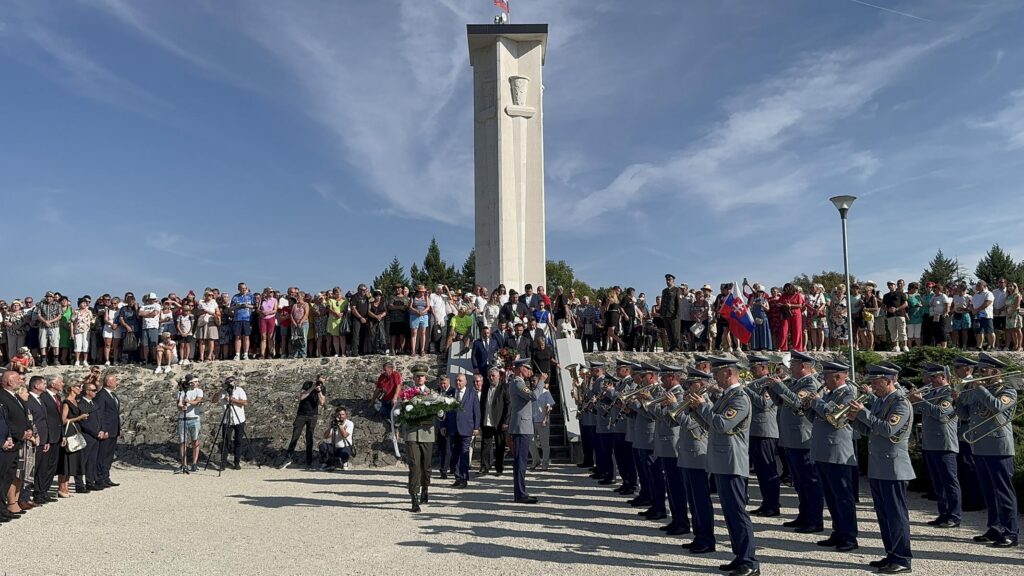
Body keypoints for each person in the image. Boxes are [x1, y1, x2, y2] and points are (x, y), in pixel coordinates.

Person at [689, 356, 759, 576]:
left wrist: (703, 406)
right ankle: (740, 556)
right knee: (729, 513)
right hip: (722, 461)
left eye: (717, 373)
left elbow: (721, 424)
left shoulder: (740, 398)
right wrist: (696, 409)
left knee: (737, 512)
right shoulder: (726, 396)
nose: (714, 378)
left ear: (728, 373)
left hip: (732, 461)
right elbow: (711, 423)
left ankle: (750, 561)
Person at [847, 364, 914, 574]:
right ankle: (891, 554)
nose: (873, 386)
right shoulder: (882, 401)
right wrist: (854, 420)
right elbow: (872, 430)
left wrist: (863, 413)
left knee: (896, 515)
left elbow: (888, 429)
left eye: (876, 382)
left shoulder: (900, 403)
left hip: (894, 467)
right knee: (884, 515)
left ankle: (902, 558)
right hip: (879, 465)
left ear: (889, 381)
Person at [957, 352, 1018, 548]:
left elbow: (997, 407)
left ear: (995, 371)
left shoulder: (1007, 391)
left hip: (999, 448)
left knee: (1003, 491)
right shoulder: (979, 390)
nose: (980, 374)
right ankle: (994, 527)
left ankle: (1010, 532)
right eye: (979, 370)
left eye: (984, 370)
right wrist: (958, 399)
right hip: (979, 446)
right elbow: (964, 415)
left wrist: (981, 389)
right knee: (988, 492)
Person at [806, 361, 859, 552]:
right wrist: (809, 406)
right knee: (831, 495)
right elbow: (817, 418)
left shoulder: (848, 394)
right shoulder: (829, 394)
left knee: (843, 497)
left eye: (826, 376)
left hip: (838, 451)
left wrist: (817, 402)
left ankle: (849, 536)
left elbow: (837, 416)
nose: (823, 380)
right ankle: (838, 531)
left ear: (837, 377)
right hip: (823, 450)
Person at [769, 350, 823, 534]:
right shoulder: (794, 383)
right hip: (791, 438)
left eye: (793, 365)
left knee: (809, 481)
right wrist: (771, 388)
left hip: (803, 439)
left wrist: (779, 386)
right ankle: (804, 515)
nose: (789, 368)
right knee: (799, 481)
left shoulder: (810, 383)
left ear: (803, 366)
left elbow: (798, 403)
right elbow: (781, 402)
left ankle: (814, 520)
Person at [909, 363, 961, 528]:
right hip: (930, 442)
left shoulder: (949, 393)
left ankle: (954, 516)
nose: (929, 380)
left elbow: (940, 412)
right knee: (938, 482)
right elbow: (918, 410)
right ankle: (943, 513)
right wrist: (912, 401)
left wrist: (921, 400)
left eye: (933, 377)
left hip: (944, 443)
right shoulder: (931, 392)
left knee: (949, 481)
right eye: (929, 376)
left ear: (942, 377)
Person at [650, 363, 689, 536]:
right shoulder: (668, 394)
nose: (661, 380)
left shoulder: (679, 395)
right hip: (665, 444)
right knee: (671, 486)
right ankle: (676, 519)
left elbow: (673, 420)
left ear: (672, 377)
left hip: (673, 445)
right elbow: (660, 416)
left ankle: (682, 522)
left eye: (664, 377)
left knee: (676, 485)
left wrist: (667, 404)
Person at [744, 355, 780, 518]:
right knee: (760, 471)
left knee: (768, 469)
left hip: (765, 431)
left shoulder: (769, 383)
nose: (752, 371)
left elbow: (765, 404)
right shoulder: (756, 383)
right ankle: (766, 503)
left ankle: (773, 505)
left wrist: (747, 391)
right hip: (755, 431)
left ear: (764, 368)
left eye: (754, 368)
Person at [399, 365, 434, 512]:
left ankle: (425, 488)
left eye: (422, 376)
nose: (420, 378)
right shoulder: (407, 394)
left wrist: (440, 413)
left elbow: (440, 410)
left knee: (426, 466)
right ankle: (414, 497)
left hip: (427, 433)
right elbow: (401, 413)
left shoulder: (432, 394)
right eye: (417, 376)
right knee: (414, 466)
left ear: (426, 378)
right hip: (412, 433)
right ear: (413, 378)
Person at [508, 358, 543, 503]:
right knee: (520, 463)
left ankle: (521, 492)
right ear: (521, 368)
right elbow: (533, 396)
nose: (530, 371)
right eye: (527, 368)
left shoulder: (520, 383)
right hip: (521, 427)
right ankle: (520, 494)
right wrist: (541, 382)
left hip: (523, 426)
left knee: (521, 462)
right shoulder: (518, 383)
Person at [280, 375, 326, 470]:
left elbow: (322, 402)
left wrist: (319, 391)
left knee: (309, 438)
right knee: (295, 436)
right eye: (319, 381)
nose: (320, 383)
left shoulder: (322, 388)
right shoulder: (307, 384)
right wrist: (312, 387)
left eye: (322, 382)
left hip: (313, 416)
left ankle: (309, 462)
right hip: (301, 415)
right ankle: (288, 458)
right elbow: (301, 397)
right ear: (316, 379)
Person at [443, 374, 480, 488]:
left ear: (465, 382)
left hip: (466, 428)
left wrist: (476, 427)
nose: (458, 382)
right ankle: (458, 477)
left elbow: (476, 412)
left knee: (464, 454)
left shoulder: (472, 394)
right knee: (455, 454)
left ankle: (464, 478)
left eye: (460, 380)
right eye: (456, 380)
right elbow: (444, 411)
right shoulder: (450, 394)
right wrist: (443, 425)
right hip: (453, 429)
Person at [25, 376, 54, 504]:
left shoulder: (40, 399)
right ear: (36, 386)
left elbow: (44, 421)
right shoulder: (29, 400)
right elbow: (31, 420)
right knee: (33, 468)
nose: (46, 385)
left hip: (43, 439)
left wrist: (47, 440)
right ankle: (25, 496)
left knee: (42, 468)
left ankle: (39, 493)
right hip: (34, 439)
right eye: (43, 383)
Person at [57, 381, 88, 497]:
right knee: (66, 461)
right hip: (68, 432)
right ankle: (61, 488)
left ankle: (66, 487)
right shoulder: (66, 402)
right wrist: (79, 418)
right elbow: (63, 420)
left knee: (72, 462)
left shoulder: (76, 401)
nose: (80, 388)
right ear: (71, 388)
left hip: (76, 431)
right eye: (78, 386)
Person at [93, 373, 121, 488]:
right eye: (114, 381)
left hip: (114, 429)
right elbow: (100, 414)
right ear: (108, 382)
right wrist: (103, 429)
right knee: (102, 455)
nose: (116, 383)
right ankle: (99, 478)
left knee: (109, 456)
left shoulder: (112, 395)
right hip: (106, 430)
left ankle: (106, 476)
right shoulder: (101, 395)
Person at [215, 376, 248, 470]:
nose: (230, 383)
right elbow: (213, 400)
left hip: (239, 420)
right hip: (227, 420)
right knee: (225, 441)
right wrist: (220, 391)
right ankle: (223, 464)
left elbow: (245, 403)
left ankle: (237, 462)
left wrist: (233, 400)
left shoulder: (239, 390)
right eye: (228, 381)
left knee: (238, 441)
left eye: (232, 381)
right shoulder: (222, 392)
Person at [479, 367, 508, 476]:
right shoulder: (485, 387)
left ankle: (499, 468)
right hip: (487, 420)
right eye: (489, 376)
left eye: (493, 376)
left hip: (499, 421)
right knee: (485, 445)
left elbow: (508, 405)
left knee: (500, 446)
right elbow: (482, 403)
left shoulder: (504, 387)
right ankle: (484, 466)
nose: (491, 378)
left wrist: (506, 421)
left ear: (499, 376)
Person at [78, 380, 103, 491]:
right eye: (93, 390)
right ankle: (79, 484)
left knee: (92, 461)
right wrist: (95, 433)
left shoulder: (95, 404)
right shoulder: (81, 404)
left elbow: (100, 418)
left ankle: (90, 481)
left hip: (96, 437)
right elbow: (84, 423)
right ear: (87, 391)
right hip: (87, 436)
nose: (95, 392)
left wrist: (102, 430)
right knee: (82, 461)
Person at [176, 374, 204, 473]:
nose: (196, 383)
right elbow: (178, 405)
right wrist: (181, 407)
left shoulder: (199, 391)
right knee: (183, 442)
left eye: (197, 381)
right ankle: (184, 464)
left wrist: (188, 401)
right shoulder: (181, 392)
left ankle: (194, 463)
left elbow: (197, 401)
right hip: (182, 419)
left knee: (195, 441)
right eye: (193, 382)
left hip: (194, 418)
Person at [528, 378, 555, 471]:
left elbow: (549, 407)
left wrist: (545, 418)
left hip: (542, 420)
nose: (532, 382)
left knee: (544, 444)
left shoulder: (545, 392)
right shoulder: (531, 392)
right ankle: (536, 460)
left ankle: (545, 463)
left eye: (534, 380)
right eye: (531, 381)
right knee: (530, 442)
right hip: (532, 421)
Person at [319, 406, 354, 471]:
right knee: (323, 446)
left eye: (342, 414)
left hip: (344, 446)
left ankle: (344, 462)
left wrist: (340, 425)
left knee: (345, 452)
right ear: (336, 415)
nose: (341, 416)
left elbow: (344, 435)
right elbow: (326, 436)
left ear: (346, 415)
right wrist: (330, 427)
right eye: (339, 415)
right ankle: (327, 463)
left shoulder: (349, 423)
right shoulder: (333, 423)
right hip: (333, 446)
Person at [230, 283, 255, 361]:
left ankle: (246, 354)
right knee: (238, 337)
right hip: (237, 318)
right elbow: (231, 308)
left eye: (245, 288)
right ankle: (237, 354)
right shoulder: (235, 297)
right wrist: (238, 306)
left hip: (247, 319)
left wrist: (247, 306)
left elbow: (255, 306)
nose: (243, 289)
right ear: (238, 289)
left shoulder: (250, 296)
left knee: (246, 337)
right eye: (242, 288)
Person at [36, 292, 62, 367]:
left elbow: (59, 316)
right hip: (43, 326)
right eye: (47, 297)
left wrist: (50, 321)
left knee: (55, 343)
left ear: (53, 298)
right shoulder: (41, 304)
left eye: (50, 297)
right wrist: (45, 321)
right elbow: (38, 315)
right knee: (43, 343)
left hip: (54, 326)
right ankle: (44, 360)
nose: (49, 298)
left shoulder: (58, 305)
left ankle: (56, 360)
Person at [971, 280, 996, 351]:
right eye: (977, 285)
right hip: (977, 316)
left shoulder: (989, 294)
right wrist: (973, 310)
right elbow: (971, 303)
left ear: (984, 286)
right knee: (979, 332)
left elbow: (987, 303)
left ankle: (992, 346)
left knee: (989, 331)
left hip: (986, 316)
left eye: (979, 285)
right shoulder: (975, 294)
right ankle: (979, 346)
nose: (977, 286)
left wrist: (976, 310)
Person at [661, 274, 683, 351]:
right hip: (665, 314)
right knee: (669, 332)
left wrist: (677, 314)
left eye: (669, 280)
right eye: (667, 280)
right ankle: (672, 346)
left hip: (673, 314)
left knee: (675, 332)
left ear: (673, 280)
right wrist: (662, 313)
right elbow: (663, 303)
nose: (668, 281)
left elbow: (678, 303)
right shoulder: (664, 291)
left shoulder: (677, 290)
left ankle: (676, 347)